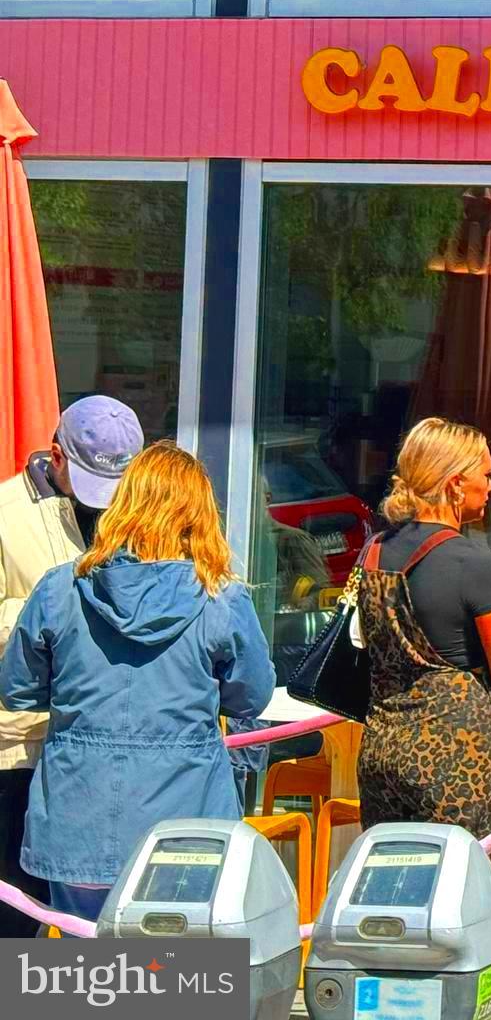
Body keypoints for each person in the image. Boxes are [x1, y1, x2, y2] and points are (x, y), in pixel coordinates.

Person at [0, 442, 273, 921]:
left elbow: (17, 689)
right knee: (178, 981)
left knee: (88, 981)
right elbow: (251, 694)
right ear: (200, 516)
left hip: (75, 819)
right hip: (187, 828)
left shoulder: (60, 587)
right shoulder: (220, 597)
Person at [0, 395, 141, 936]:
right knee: (15, 913)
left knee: (100, 927)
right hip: (20, 747)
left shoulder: (135, 515)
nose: (103, 500)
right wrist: (53, 612)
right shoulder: (8, 514)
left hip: (100, 748)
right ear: (55, 455)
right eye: (87, 479)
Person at [357, 418, 491, 848]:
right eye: (485, 476)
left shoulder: (375, 550)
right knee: (458, 889)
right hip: (453, 753)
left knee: (389, 881)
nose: (490, 487)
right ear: (455, 484)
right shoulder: (475, 563)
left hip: (383, 743)